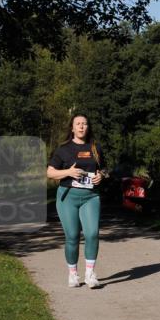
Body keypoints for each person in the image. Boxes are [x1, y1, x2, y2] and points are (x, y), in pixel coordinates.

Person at [47, 114, 107, 288]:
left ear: (88, 127)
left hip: (91, 197)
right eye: (78, 124)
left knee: (92, 234)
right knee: (72, 236)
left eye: (84, 124)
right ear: (72, 128)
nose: (81, 126)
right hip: (68, 197)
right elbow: (50, 172)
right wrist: (68, 172)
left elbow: (104, 169)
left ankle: (90, 274)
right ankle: (73, 274)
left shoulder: (95, 148)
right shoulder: (63, 149)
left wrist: (101, 176)